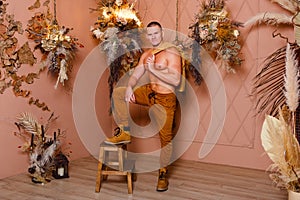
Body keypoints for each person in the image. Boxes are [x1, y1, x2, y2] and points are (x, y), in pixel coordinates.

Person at [105, 21, 182, 192]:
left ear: (162, 33)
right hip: (149, 93)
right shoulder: (147, 53)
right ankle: (124, 131)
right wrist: (131, 86)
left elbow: (176, 80)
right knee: (119, 92)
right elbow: (136, 74)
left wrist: (153, 69)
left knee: (166, 139)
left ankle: (162, 174)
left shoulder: (172, 52)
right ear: (147, 36)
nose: (153, 37)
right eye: (150, 34)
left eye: (156, 33)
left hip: (166, 98)